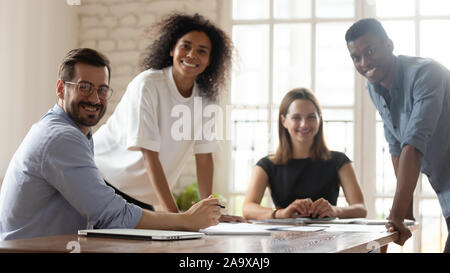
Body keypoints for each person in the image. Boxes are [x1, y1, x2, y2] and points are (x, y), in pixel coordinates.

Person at [0, 48, 221, 241]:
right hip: (27, 249)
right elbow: (110, 214)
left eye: (102, 89)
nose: (95, 99)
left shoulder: (75, 133)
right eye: (84, 87)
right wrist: (185, 220)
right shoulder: (60, 137)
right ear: (61, 89)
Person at [93, 13, 241, 222]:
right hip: (103, 179)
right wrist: (178, 219)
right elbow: (149, 156)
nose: (191, 55)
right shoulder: (148, 85)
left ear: (210, 61)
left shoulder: (206, 99)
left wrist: (211, 211)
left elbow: (204, 156)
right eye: (186, 46)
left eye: (202, 51)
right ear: (172, 49)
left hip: (139, 195)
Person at [345, 18, 450, 252]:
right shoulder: (374, 87)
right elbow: (396, 148)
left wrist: (396, 214)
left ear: (389, 45)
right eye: (356, 57)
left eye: (370, 51)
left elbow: (413, 144)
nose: (365, 62)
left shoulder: (426, 74)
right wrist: (407, 211)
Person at [242, 88, 367, 220]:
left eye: (311, 117)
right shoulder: (266, 165)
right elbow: (248, 208)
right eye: (296, 117)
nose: (304, 124)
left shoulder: (339, 161)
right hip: (283, 239)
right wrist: (281, 214)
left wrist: (334, 210)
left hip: (327, 238)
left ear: (319, 119)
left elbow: (361, 209)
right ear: (284, 120)